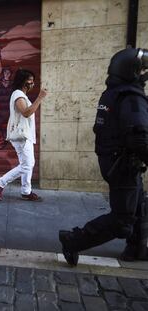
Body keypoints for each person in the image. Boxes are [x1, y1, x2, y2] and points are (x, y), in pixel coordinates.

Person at [59, 47, 148, 266]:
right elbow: (139, 137)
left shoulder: (113, 93)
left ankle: (136, 248)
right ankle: (73, 240)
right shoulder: (130, 98)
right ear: (132, 71)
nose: (144, 74)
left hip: (118, 162)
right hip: (124, 164)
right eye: (142, 70)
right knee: (122, 220)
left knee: (138, 206)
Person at [0, 69, 46, 201]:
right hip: (21, 137)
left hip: (25, 136)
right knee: (27, 164)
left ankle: (26, 191)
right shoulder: (18, 94)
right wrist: (40, 98)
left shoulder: (22, 95)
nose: (32, 83)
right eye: (30, 81)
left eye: (33, 81)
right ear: (23, 82)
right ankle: (0, 183)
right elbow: (26, 112)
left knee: (27, 163)